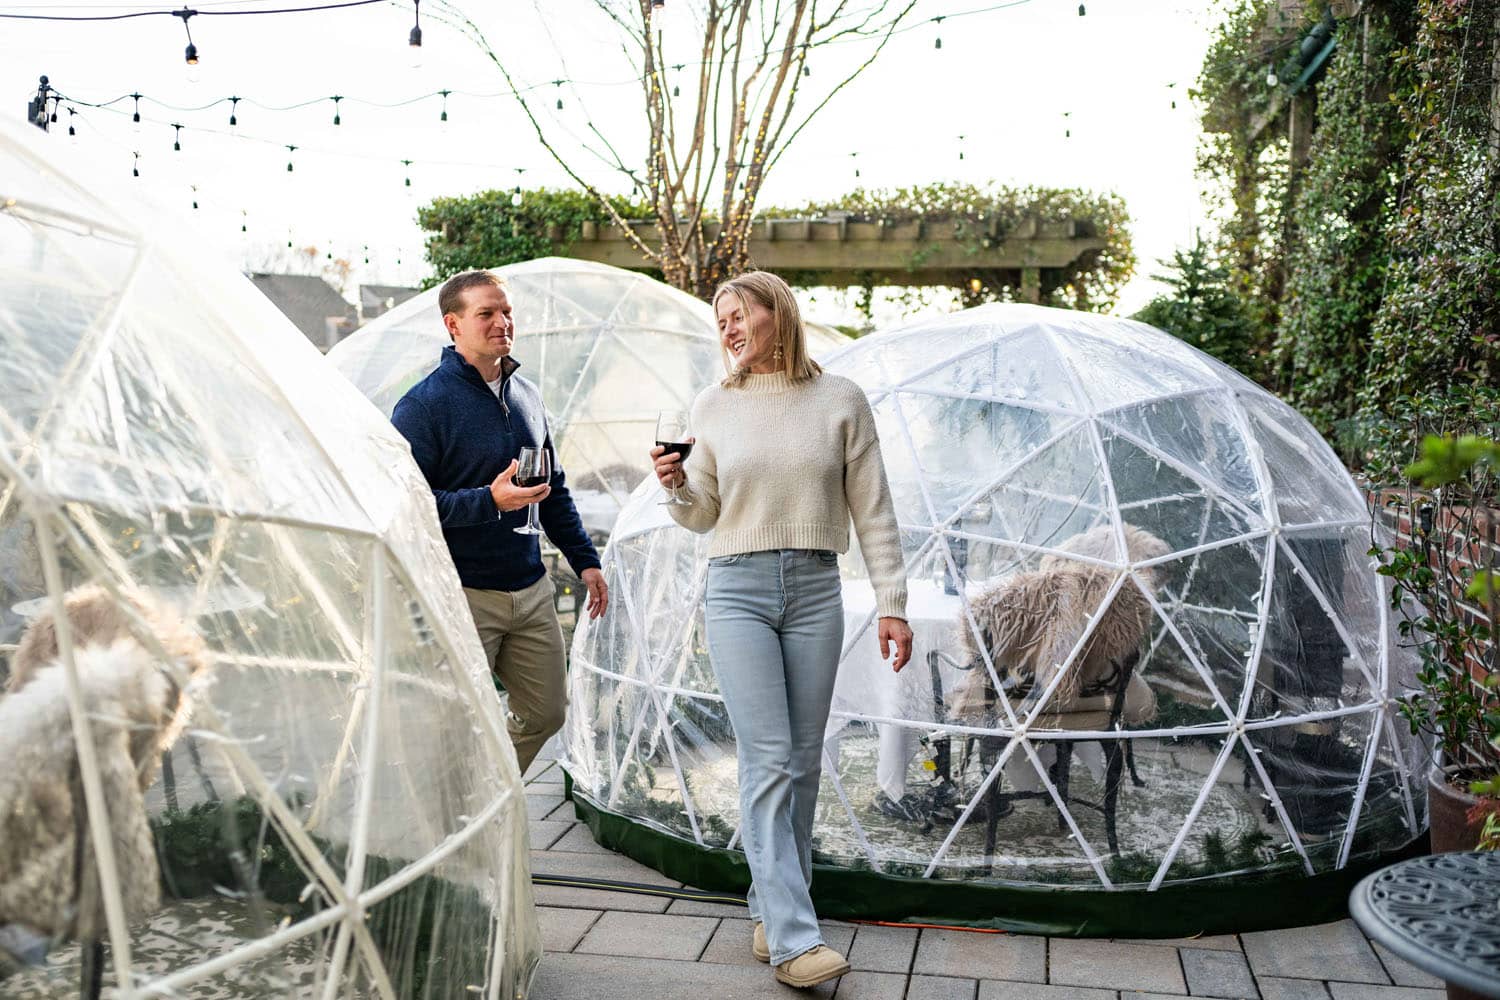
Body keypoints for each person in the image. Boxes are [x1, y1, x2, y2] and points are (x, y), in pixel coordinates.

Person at [651, 270, 912, 989]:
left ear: (778, 312)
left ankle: (770, 908)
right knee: (767, 758)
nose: (727, 328)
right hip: (736, 591)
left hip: (815, 590)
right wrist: (675, 486)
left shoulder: (840, 400)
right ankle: (797, 940)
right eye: (719, 320)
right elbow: (703, 513)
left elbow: (875, 510)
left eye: (737, 314)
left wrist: (892, 601)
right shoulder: (714, 405)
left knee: (800, 760)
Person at [394, 270, 607, 775]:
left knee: (546, 713)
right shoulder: (422, 406)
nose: (501, 322)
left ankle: (487, 792)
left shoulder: (527, 395)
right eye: (486, 313)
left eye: (506, 311)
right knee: (452, 722)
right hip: (463, 594)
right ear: (454, 324)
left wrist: (586, 562)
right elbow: (408, 507)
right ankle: (454, 828)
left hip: (531, 589)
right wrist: (489, 501)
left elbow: (551, 489)